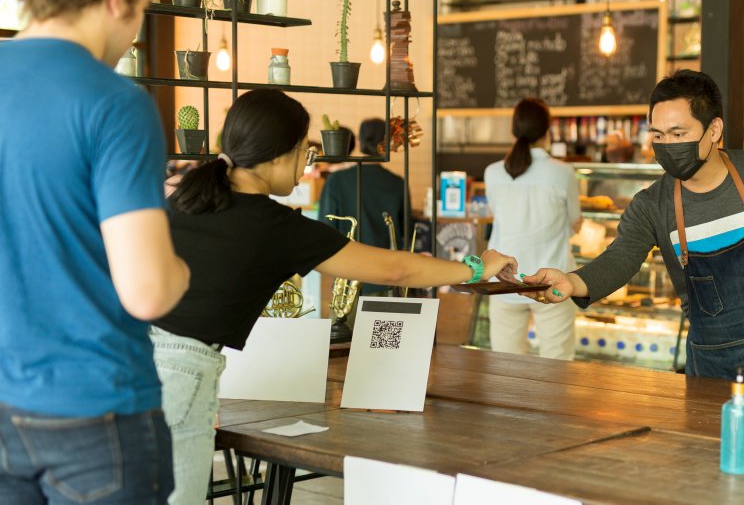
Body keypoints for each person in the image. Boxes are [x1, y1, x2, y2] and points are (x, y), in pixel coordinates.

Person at [153, 89, 517, 504]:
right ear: (278, 155)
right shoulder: (278, 227)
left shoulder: (185, 199)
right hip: (180, 373)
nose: (307, 167)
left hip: (120, 360)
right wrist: (475, 267)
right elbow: (396, 268)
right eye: (305, 152)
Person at [523, 70, 744, 388]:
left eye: (678, 133)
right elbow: (620, 259)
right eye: (657, 134)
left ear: (713, 130)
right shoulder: (652, 205)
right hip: (711, 360)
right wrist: (573, 281)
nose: (667, 145)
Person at [0, 0, 190, 503]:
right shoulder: (113, 103)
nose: (137, 27)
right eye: (145, 7)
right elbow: (149, 293)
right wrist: (179, 268)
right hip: (96, 410)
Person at [484, 98, 582, 360]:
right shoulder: (563, 172)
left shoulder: (493, 173)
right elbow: (575, 221)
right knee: (557, 365)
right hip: (553, 279)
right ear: (547, 130)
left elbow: (499, 215)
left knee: (506, 368)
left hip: (505, 280)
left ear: (514, 130)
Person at [319, 118, 407, 297]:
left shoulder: (336, 181)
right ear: (388, 143)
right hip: (388, 279)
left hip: (347, 281)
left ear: (358, 141)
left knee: (346, 326)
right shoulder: (397, 183)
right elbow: (406, 233)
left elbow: (324, 231)